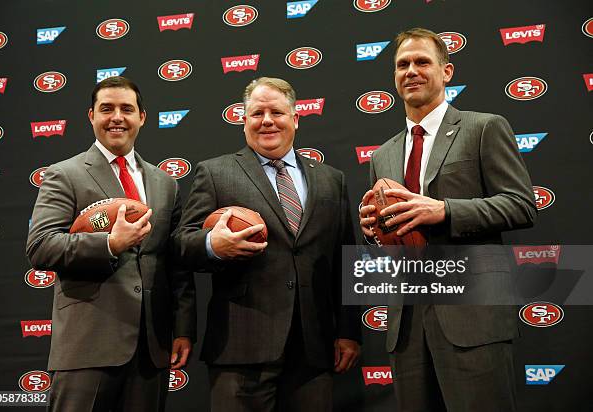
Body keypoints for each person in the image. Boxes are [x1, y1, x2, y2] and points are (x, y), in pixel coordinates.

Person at [359, 28, 537, 411]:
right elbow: (383, 252)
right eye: (402, 64)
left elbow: (521, 204)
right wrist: (374, 234)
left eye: (422, 61)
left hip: (472, 318)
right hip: (407, 324)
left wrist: (444, 210)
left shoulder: (483, 127)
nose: (411, 71)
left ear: (447, 71)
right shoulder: (382, 156)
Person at [176, 77, 361, 411]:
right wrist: (213, 245)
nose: (266, 121)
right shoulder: (215, 173)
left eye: (276, 112)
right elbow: (182, 245)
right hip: (241, 348)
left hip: (313, 350)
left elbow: (345, 259)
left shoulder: (332, 180)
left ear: (295, 119)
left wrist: (349, 331)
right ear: (243, 121)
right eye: (256, 113)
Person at [26, 76, 196, 412]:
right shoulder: (65, 174)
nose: (116, 117)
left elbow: (175, 264)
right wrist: (108, 244)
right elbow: (41, 246)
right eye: (106, 109)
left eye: (126, 109)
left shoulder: (165, 184)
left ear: (142, 117)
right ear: (91, 116)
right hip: (88, 345)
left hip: (151, 348)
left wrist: (182, 328)